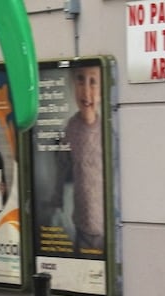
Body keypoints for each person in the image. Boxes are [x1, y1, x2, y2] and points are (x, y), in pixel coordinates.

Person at [63, 65, 105, 253]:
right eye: (80, 80)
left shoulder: (106, 130)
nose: (86, 90)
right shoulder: (71, 128)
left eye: (93, 82)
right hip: (81, 225)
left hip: (105, 228)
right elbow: (63, 168)